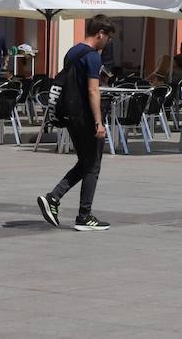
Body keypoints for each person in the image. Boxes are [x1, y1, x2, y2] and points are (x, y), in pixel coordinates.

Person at [37, 18, 113, 232]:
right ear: (100, 33)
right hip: (85, 117)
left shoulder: (73, 52)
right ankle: (83, 215)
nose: (107, 42)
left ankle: (54, 199)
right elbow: (92, 90)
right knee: (93, 166)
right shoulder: (92, 57)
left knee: (86, 163)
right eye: (108, 37)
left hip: (71, 115)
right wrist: (98, 122)